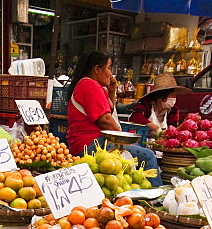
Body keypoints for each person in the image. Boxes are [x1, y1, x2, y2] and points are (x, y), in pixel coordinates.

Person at [66, 51, 162, 183]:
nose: (111, 73)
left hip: (90, 143)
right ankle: (156, 198)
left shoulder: (91, 85)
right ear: (97, 69)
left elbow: (109, 110)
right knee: (148, 155)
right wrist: (123, 139)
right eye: (109, 68)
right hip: (91, 144)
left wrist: (111, 91)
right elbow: (105, 120)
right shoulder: (89, 85)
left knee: (138, 153)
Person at [129, 72, 188, 138]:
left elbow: (172, 128)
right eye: (172, 95)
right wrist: (156, 129)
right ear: (161, 97)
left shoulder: (173, 110)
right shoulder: (146, 104)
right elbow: (135, 117)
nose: (174, 97)